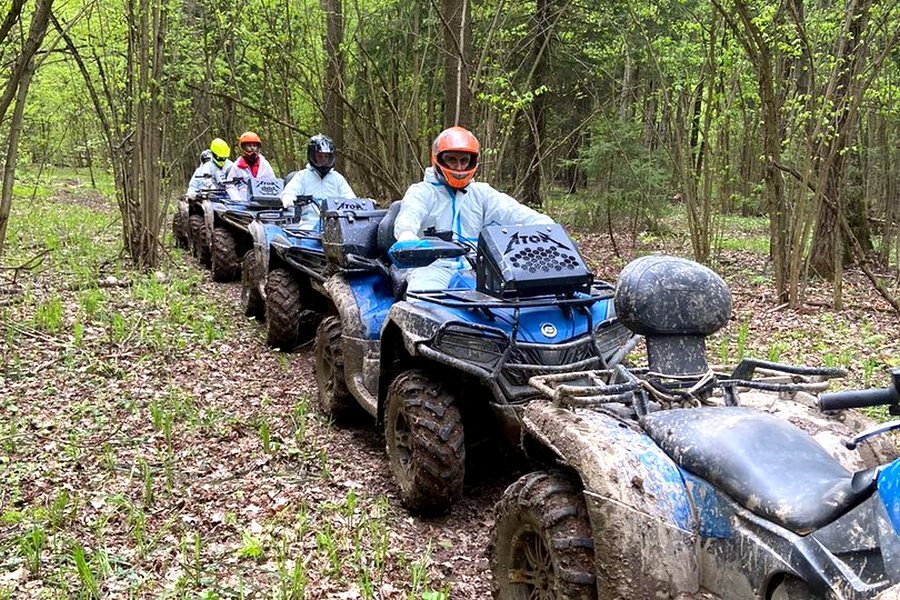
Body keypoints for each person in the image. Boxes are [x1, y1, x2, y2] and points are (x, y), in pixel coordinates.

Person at [391, 126, 553, 292]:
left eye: (464, 160)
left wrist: (548, 227)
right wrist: (407, 237)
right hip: (432, 267)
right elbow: (409, 217)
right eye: (452, 160)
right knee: (423, 299)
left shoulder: (482, 193)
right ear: (438, 159)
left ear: (473, 161)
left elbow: (515, 212)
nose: (459, 167)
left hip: (476, 268)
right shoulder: (422, 192)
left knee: (515, 301)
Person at [280, 134, 355, 229]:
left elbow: (351, 200)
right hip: (309, 227)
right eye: (320, 156)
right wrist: (288, 197)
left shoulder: (337, 178)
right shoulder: (303, 176)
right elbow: (290, 191)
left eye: (326, 157)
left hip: (335, 227)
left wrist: (364, 204)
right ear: (312, 156)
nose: (323, 160)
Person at [225, 131, 276, 203]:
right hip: (243, 204)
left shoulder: (264, 164)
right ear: (243, 147)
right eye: (249, 146)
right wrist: (237, 200)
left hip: (263, 202)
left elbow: (273, 182)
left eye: (255, 146)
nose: (252, 149)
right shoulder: (237, 166)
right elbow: (230, 186)